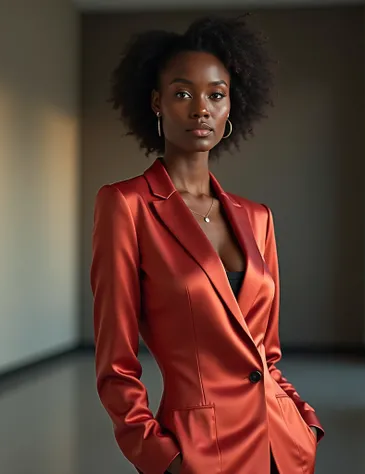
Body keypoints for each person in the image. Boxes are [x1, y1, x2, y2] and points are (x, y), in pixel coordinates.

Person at [90, 15, 324, 474]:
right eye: (183, 93)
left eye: (216, 95)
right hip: (201, 454)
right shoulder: (126, 205)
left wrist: (304, 419)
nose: (201, 108)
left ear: (230, 107)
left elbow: (266, 354)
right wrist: (162, 456)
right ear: (156, 103)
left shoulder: (257, 217)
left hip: (284, 447)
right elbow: (115, 365)